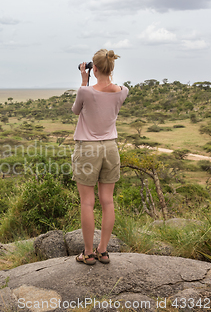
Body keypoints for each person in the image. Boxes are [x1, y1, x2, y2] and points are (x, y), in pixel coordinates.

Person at [71, 49, 129, 265]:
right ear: (111, 67)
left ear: (93, 68)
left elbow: (76, 111)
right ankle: (103, 251)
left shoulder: (85, 92)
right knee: (108, 201)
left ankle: (87, 253)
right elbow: (110, 92)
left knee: (87, 202)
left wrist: (84, 81)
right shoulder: (123, 91)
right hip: (111, 148)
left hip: (88, 149)